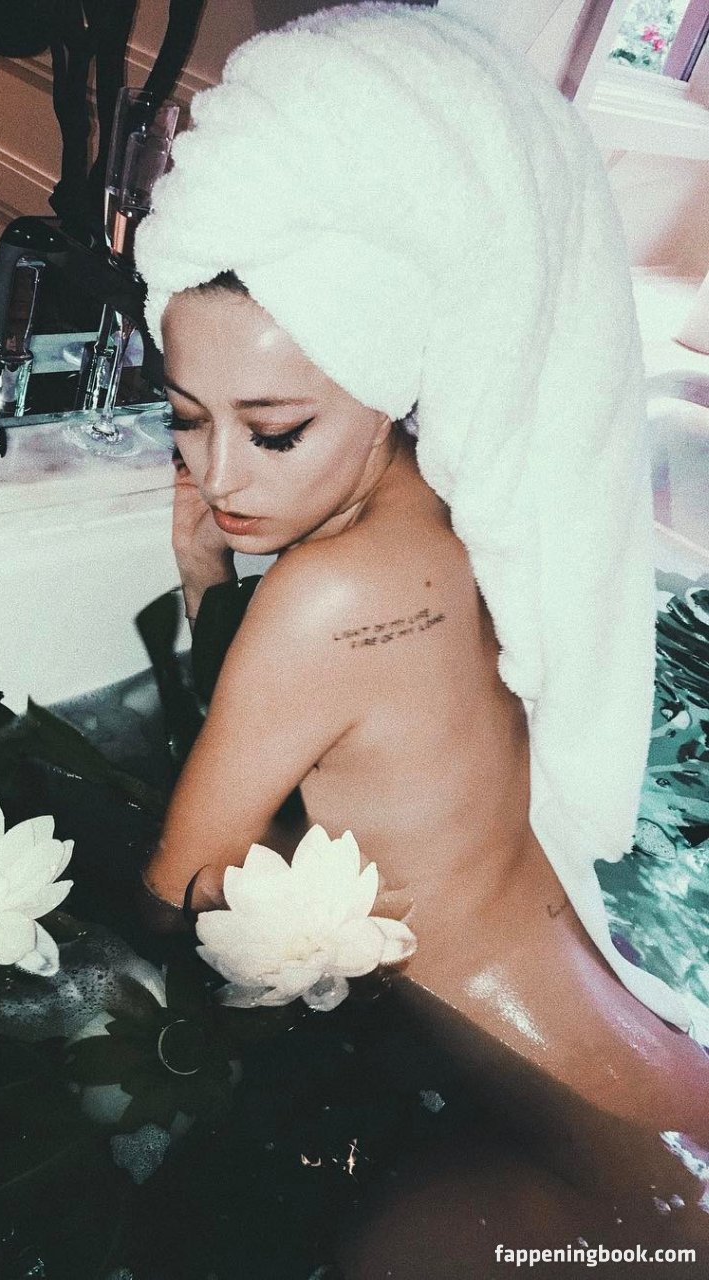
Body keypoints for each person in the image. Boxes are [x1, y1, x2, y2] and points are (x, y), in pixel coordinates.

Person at [131, 1, 709, 1264]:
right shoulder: (462, 510)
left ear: (386, 380)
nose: (217, 475)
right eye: (183, 414)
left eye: (272, 429)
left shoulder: (325, 595)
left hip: (596, 1148)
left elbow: (175, 890)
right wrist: (206, 574)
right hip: (642, 1078)